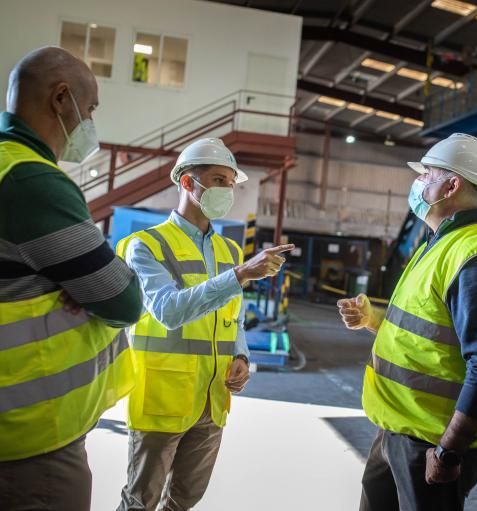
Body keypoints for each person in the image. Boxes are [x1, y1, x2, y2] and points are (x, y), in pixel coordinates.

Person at [338, 133, 477, 511]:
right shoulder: (438, 242)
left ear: (452, 185)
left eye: (427, 174)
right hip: (396, 429)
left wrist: (450, 451)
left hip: (432, 444)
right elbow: (427, 330)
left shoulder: (476, 258)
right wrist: (374, 321)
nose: (418, 183)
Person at [116, 137, 293, 511]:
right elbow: (168, 310)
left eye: (231, 182)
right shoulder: (147, 246)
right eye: (217, 180)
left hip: (212, 399)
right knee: (141, 501)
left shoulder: (228, 250)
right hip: (162, 397)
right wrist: (242, 274)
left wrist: (241, 356)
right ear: (186, 183)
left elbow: (234, 316)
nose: (227, 190)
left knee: (184, 499)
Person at [0, 47, 143, 510]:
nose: (91, 122)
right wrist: (89, 278)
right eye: (91, 108)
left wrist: (77, 277)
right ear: (62, 99)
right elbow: (123, 300)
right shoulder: (30, 182)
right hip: (27, 440)